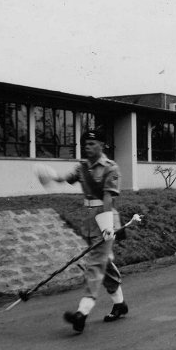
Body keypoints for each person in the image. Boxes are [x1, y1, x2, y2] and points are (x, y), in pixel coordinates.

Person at [44, 129, 127, 333]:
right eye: (85, 144)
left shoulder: (111, 168)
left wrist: (107, 225)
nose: (87, 147)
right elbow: (67, 178)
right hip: (89, 219)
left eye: (92, 144)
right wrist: (51, 176)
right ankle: (120, 304)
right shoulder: (82, 167)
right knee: (104, 263)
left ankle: (82, 312)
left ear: (102, 145)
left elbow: (109, 197)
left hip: (105, 217)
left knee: (95, 264)